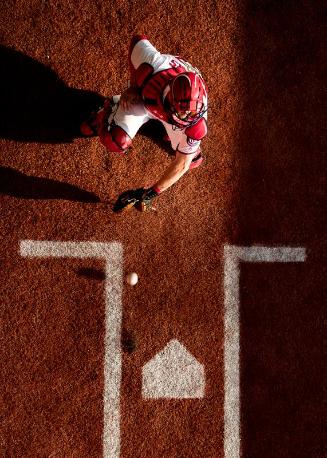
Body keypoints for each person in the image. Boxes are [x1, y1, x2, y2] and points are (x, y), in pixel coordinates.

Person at [80, 34, 208, 212]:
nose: (188, 117)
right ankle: (108, 110)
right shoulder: (154, 68)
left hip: (166, 110)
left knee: (191, 160)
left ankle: (166, 131)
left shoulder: (195, 122)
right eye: (184, 111)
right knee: (115, 140)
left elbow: (182, 166)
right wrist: (134, 86)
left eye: (192, 112)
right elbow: (137, 41)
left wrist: (150, 193)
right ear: (169, 95)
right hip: (145, 102)